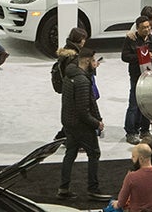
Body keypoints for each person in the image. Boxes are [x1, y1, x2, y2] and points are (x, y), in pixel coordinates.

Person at [57, 48, 104, 201]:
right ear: (86, 61)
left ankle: (63, 188)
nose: (95, 63)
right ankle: (93, 189)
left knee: (70, 153)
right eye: (93, 60)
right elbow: (84, 109)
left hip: (68, 122)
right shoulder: (82, 81)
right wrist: (97, 123)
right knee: (94, 153)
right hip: (81, 125)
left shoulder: (69, 74)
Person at [121, 16, 152, 144]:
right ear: (137, 28)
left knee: (148, 104)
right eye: (144, 28)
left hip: (151, 77)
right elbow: (125, 57)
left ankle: (145, 130)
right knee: (134, 104)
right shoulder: (131, 40)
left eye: (148, 27)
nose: (147, 29)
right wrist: (141, 57)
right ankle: (131, 132)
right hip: (137, 76)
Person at [112, 144, 152, 212]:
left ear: (141, 159)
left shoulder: (131, 176)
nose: (131, 158)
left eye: (134, 156)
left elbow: (122, 201)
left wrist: (116, 204)